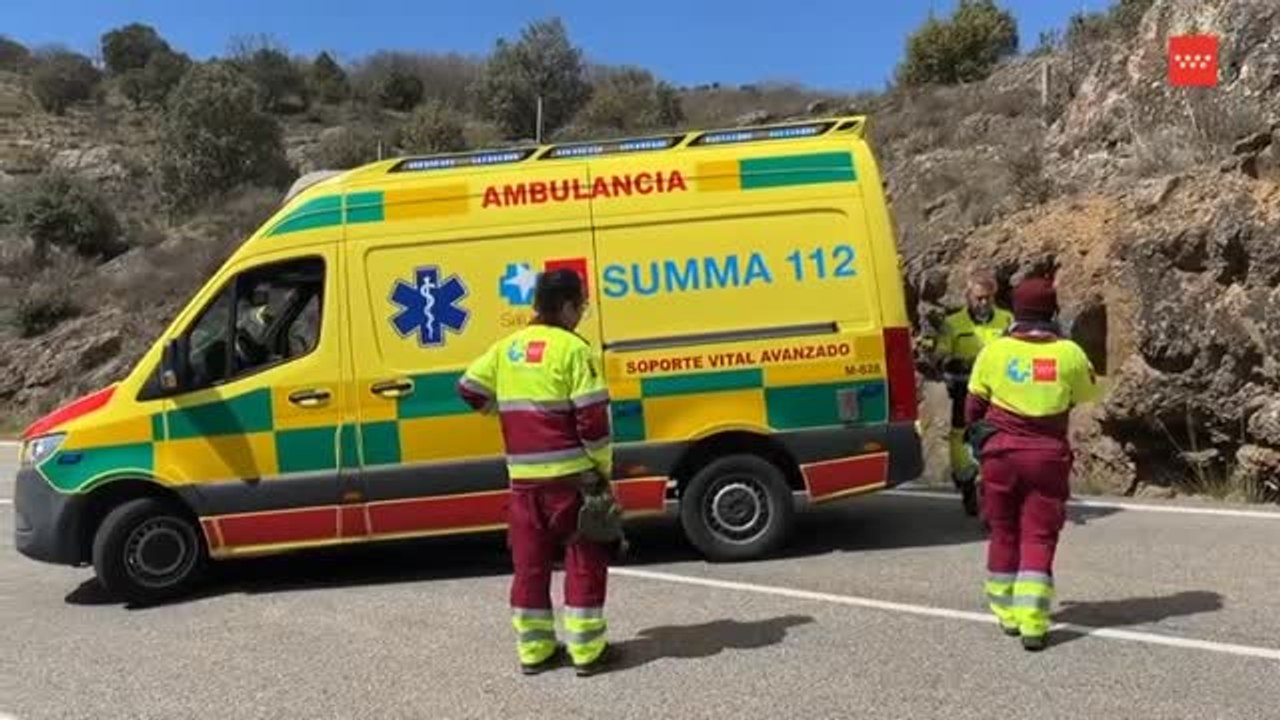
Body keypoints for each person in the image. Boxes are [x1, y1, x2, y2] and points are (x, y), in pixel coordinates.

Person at [455, 268, 619, 677]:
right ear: (565, 307)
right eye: (580, 305)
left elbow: (469, 389)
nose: (581, 312)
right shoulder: (574, 350)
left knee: (529, 566)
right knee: (584, 560)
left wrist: (506, 414)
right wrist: (601, 469)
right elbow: (593, 420)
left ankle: (535, 651)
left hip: (524, 484)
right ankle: (586, 652)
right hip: (572, 481)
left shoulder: (507, 347)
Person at [963, 276, 1101, 651]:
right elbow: (1086, 395)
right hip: (1046, 456)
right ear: (1053, 311)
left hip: (999, 456)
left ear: (1016, 310)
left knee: (1003, 530)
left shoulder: (994, 351)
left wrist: (980, 438)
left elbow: (973, 406)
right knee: (1038, 535)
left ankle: (1006, 613)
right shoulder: (1070, 353)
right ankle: (1034, 624)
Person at [932, 272, 1013, 516]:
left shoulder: (1006, 320)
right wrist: (952, 361)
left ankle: (1000, 484)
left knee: (1001, 435)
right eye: (978, 298)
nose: (983, 303)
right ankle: (965, 480)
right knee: (960, 435)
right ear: (968, 297)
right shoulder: (953, 323)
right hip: (964, 388)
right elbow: (940, 354)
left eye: (988, 298)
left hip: (999, 390)